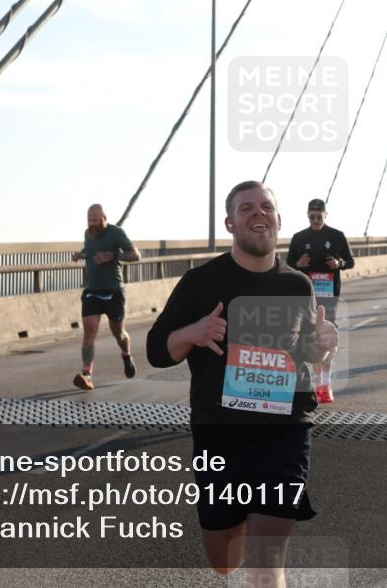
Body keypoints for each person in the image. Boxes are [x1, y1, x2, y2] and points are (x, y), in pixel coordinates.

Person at [146, 180, 339, 587]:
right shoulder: (200, 283)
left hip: (284, 433)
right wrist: (193, 333)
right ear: (230, 223)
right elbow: (156, 351)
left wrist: (322, 348)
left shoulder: (296, 285)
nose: (257, 212)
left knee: (265, 569)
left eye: (265, 206)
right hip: (220, 435)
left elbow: (307, 354)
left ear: (279, 220)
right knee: (224, 562)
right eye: (246, 207)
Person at [285, 198, 352, 403]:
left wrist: (338, 263)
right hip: (305, 296)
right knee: (309, 335)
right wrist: (298, 263)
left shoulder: (337, 236)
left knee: (326, 335)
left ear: (325, 215)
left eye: (319, 217)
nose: (315, 220)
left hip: (329, 295)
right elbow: (287, 265)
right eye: (312, 217)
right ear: (307, 215)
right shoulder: (298, 238)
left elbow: (350, 261)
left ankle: (326, 380)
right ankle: (317, 380)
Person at [71, 204, 141, 391]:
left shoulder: (116, 233)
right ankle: (87, 374)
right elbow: (91, 250)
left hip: (113, 292)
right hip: (93, 291)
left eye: (95, 220)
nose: (91, 224)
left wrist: (113, 256)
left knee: (118, 333)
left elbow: (136, 255)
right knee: (89, 333)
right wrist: (81, 254)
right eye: (89, 220)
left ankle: (126, 355)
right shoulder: (88, 234)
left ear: (104, 217)